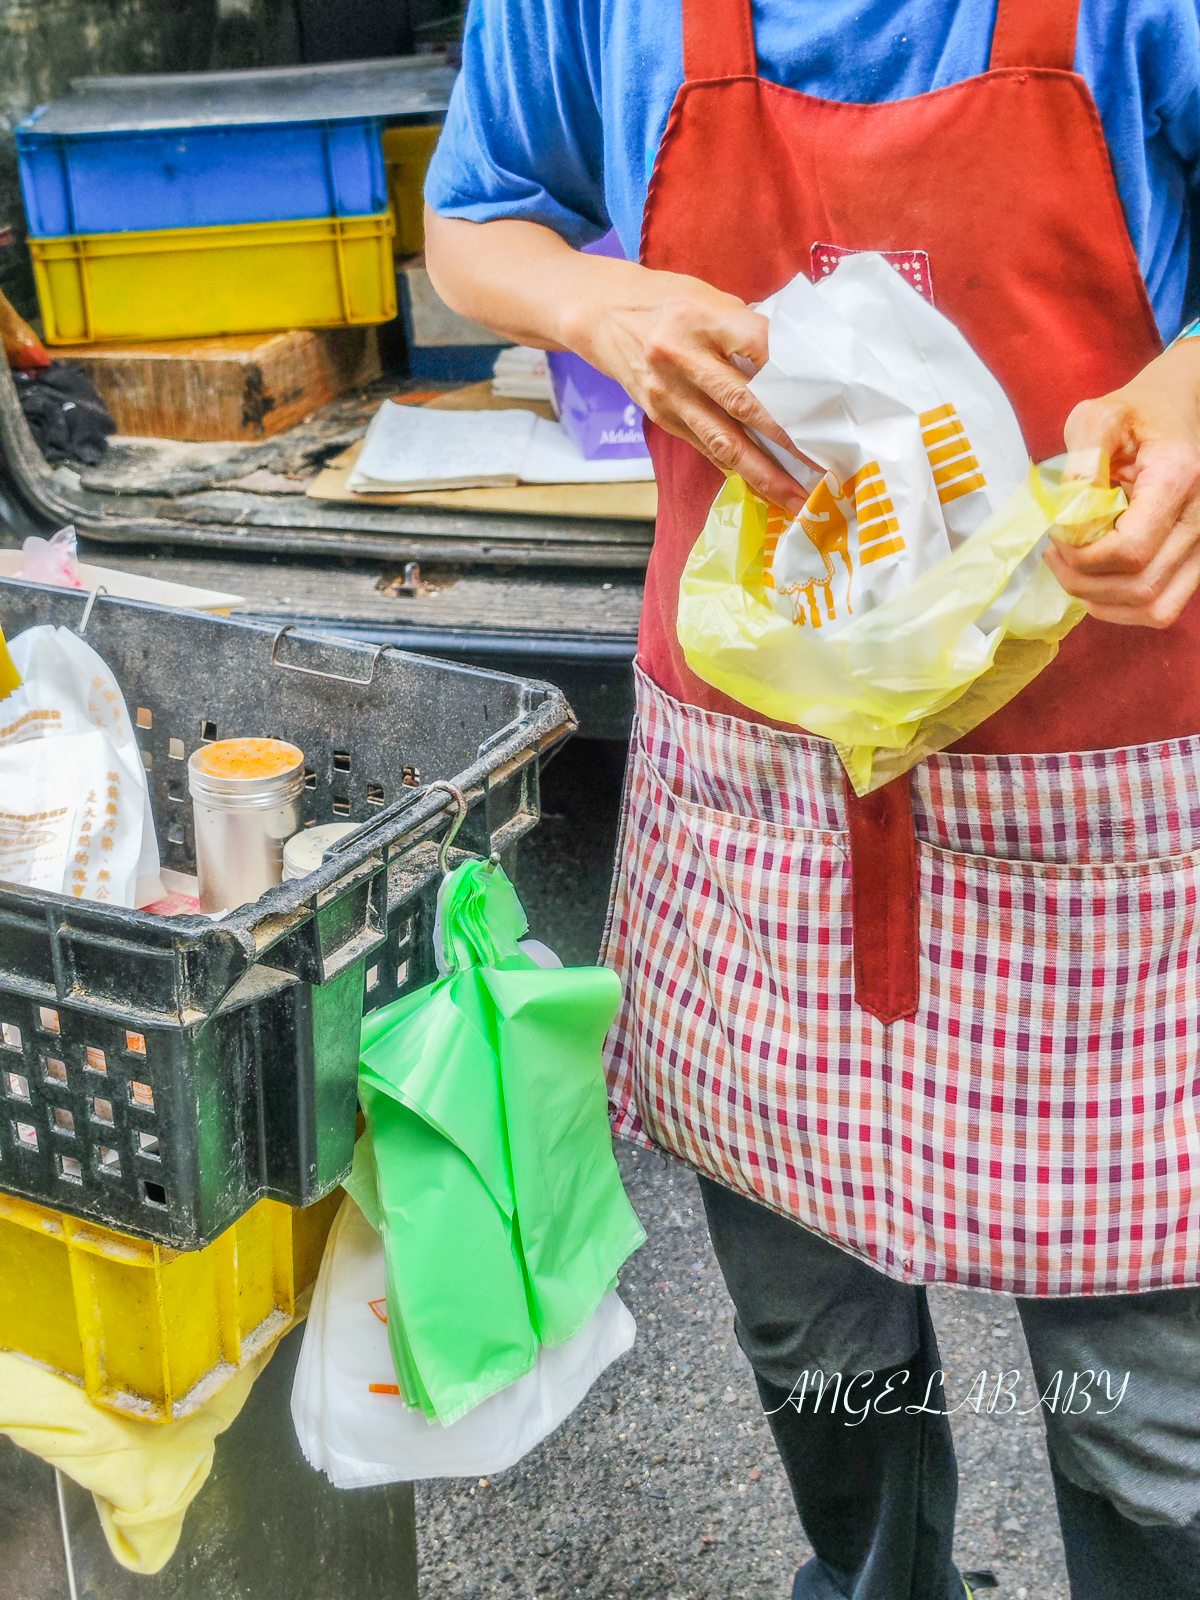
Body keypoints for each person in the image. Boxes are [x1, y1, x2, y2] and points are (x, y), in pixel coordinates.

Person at [423, 3, 1200, 1596]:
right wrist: (602, 305)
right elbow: (471, 220)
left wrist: (1187, 402)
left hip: (1113, 812)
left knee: (1154, 1429)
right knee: (817, 1350)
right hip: (763, 811)